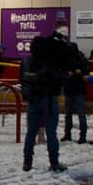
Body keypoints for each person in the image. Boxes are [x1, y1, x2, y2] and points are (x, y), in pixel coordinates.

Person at [21, 33, 67, 172]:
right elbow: (60, 79)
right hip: (48, 99)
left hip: (32, 99)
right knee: (51, 133)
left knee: (31, 132)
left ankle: (27, 162)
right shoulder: (50, 63)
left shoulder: (27, 61)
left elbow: (22, 80)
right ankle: (54, 162)